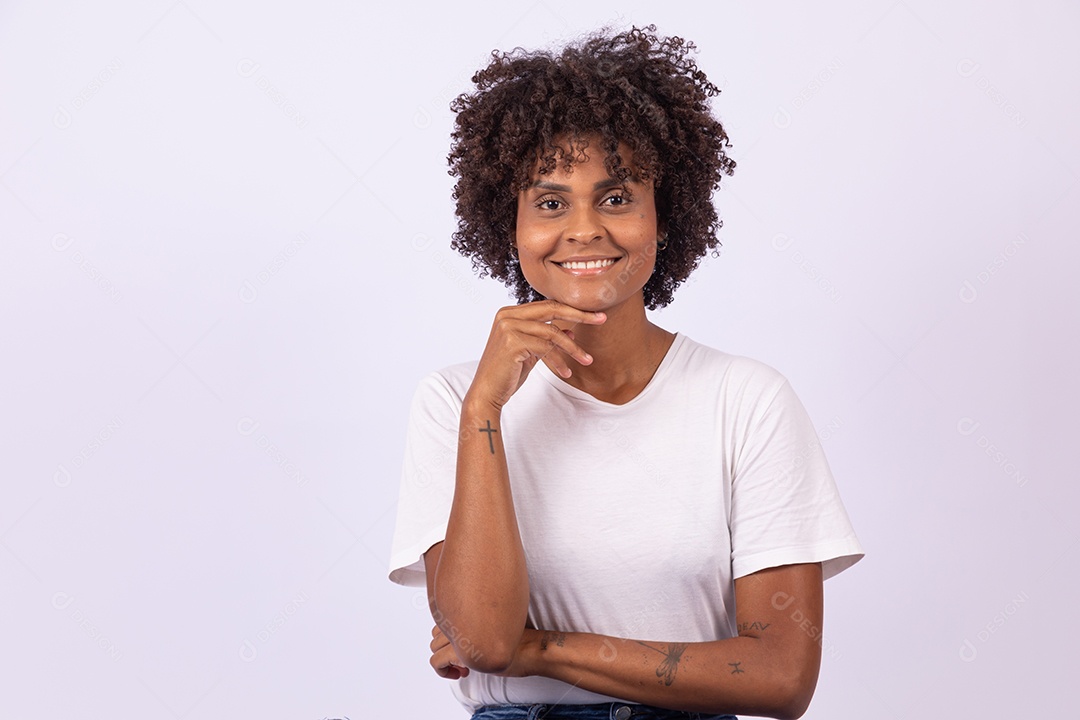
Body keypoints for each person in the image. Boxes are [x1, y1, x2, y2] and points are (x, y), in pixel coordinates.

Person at [388, 25, 864, 720]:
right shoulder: (455, 402)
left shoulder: (745, 401)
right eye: (550, 203)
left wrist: (544, 650)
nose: (585, 229)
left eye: (616, 198)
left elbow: (780, 676)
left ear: (663, 217)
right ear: (510, 226)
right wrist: (486, 410)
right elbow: (487, 642)